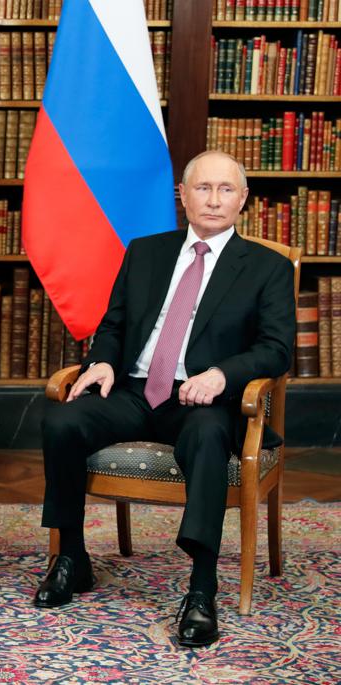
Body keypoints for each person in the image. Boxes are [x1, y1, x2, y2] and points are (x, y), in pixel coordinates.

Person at [33, 150, 295, 647]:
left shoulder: (267, 268)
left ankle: (200, 588)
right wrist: (103, 360)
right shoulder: (146, 252)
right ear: (183, 196)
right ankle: (72, 557)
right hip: (132, 391)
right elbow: (113, 325)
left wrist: (222, 375)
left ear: (243, 200)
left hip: (202, 401)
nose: (213, 200)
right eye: (202, 188)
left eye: (225, 190)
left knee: (210, 434)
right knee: (62, 421)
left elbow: (276, 350)